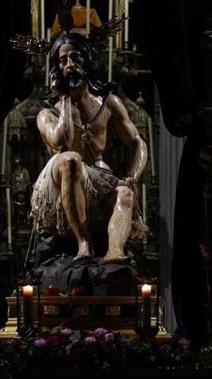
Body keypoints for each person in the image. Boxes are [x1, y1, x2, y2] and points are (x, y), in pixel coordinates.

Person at [31, 34, 147, 261]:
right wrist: (64, 97)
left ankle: (114, 251)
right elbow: (60, 141)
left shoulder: (108, 102)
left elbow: (137, 142)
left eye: (75, 57)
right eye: (63, 61)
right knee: (71, 159)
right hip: (60, 178)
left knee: (124, 192)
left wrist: (133, 175)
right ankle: (84, 243)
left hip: (100, 179)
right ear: (56, 70)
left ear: (88, 61)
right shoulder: (48, 113)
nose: (70, 65)